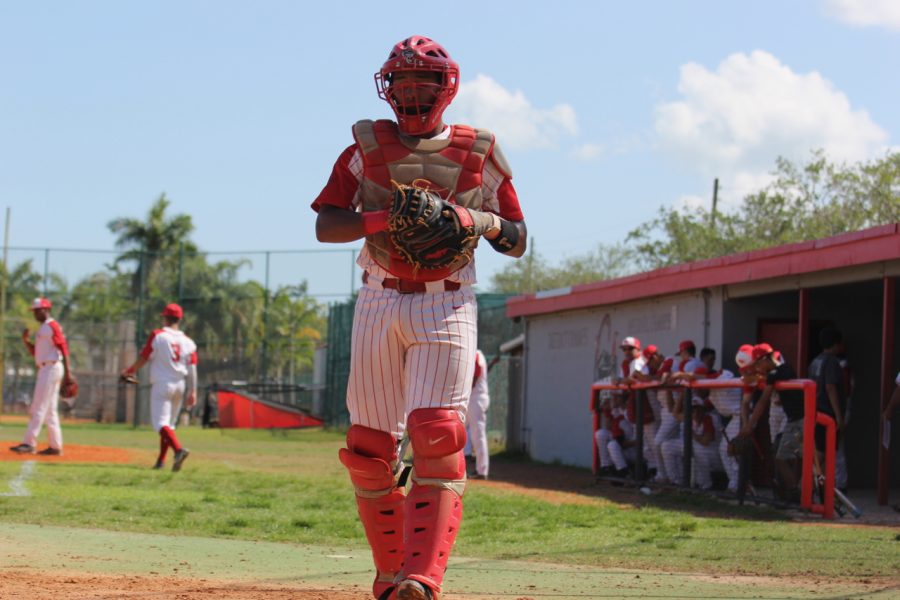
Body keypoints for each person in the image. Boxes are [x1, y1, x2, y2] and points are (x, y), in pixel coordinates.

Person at [311, 35, 527, 600]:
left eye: (420, 84)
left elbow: (518, 238)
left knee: (436, 432)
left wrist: (471, 221)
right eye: (401, 84)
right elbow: (327, 224)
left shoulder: (479, 150)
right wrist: (384, 217)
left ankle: (423, 579)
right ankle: (389, 579)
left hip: (446, 297)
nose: (409, 95)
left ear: (444, 88)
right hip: (380, 295)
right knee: (367, 450)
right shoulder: (365, 146)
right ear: (387, 88)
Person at [121, 303, 197, 472]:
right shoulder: (188, 342)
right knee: (168, 426)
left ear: (165, 317)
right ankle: (161, 461)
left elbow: (144, 357)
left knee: (160, 424)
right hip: (180, 384)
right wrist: (193, 390)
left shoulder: (158, 335)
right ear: (179, 319)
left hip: (163, 384)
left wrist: (129, 371)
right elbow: (192, 367)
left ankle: (178, 450)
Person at [9, 297, 77, 456]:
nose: (34, 314)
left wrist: (69, 373)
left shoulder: (51, 326)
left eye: (37, 311)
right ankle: (55, 446)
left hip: (51, 368)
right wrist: (26, 341)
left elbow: (63, 347)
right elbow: (37, 354)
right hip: (46, 367)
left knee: (38, 406)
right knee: (50, 410)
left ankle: (29, 443)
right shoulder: (43, 328)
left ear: (45, 310)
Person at [741, 343, 803, 501]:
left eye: (757, 364)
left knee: (780, 457)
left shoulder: (775, 373)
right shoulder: (785, 369)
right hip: (798, 419)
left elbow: (762, 401)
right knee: (793, 455)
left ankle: (795, 494)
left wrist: (749, 425)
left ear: (765, 359)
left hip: (798, 420)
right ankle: (797, 492)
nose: (757, 368)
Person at [808, 328, 846, 468]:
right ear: (836, 344)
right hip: (826, 413)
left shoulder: (815, 361)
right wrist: (838, 416)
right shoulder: (831, 362)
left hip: (816, 411)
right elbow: (830, 387)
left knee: (821, 452)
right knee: (822, 453)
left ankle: (819, 487)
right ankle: (802, 485)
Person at [465, 349, 491, 480]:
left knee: (478, 435)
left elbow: (475, 375)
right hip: (471, 398)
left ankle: (482, 471)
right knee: (461, 432)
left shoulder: (475, 353)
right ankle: (458, 468)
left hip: (476, 398)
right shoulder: (473, 353)